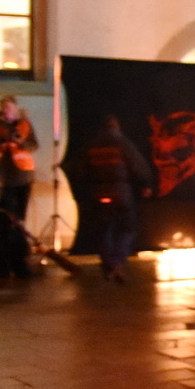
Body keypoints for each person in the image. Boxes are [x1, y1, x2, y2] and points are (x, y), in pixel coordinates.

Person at [78, 115, 153, 282]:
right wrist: (145, 184)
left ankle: (108, 264)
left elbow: (80, 170)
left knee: (103, 230)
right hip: (120, 193)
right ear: (117, 127)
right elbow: (138, 166)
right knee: (127, 228)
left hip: (97, 193)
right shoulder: (123, 143)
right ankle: (118, 261)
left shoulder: (91, 145)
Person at [0, 96, 38, 220]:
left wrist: (20, 142)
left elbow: (34, 145)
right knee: (2, 210)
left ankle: (18, 234)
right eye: (3, 107)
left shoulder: (24, 125)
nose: (5, 110)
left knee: (19, 211)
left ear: (15, 108)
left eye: (8, 107)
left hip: (22, 174)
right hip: (1, 173)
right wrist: (1, 139)